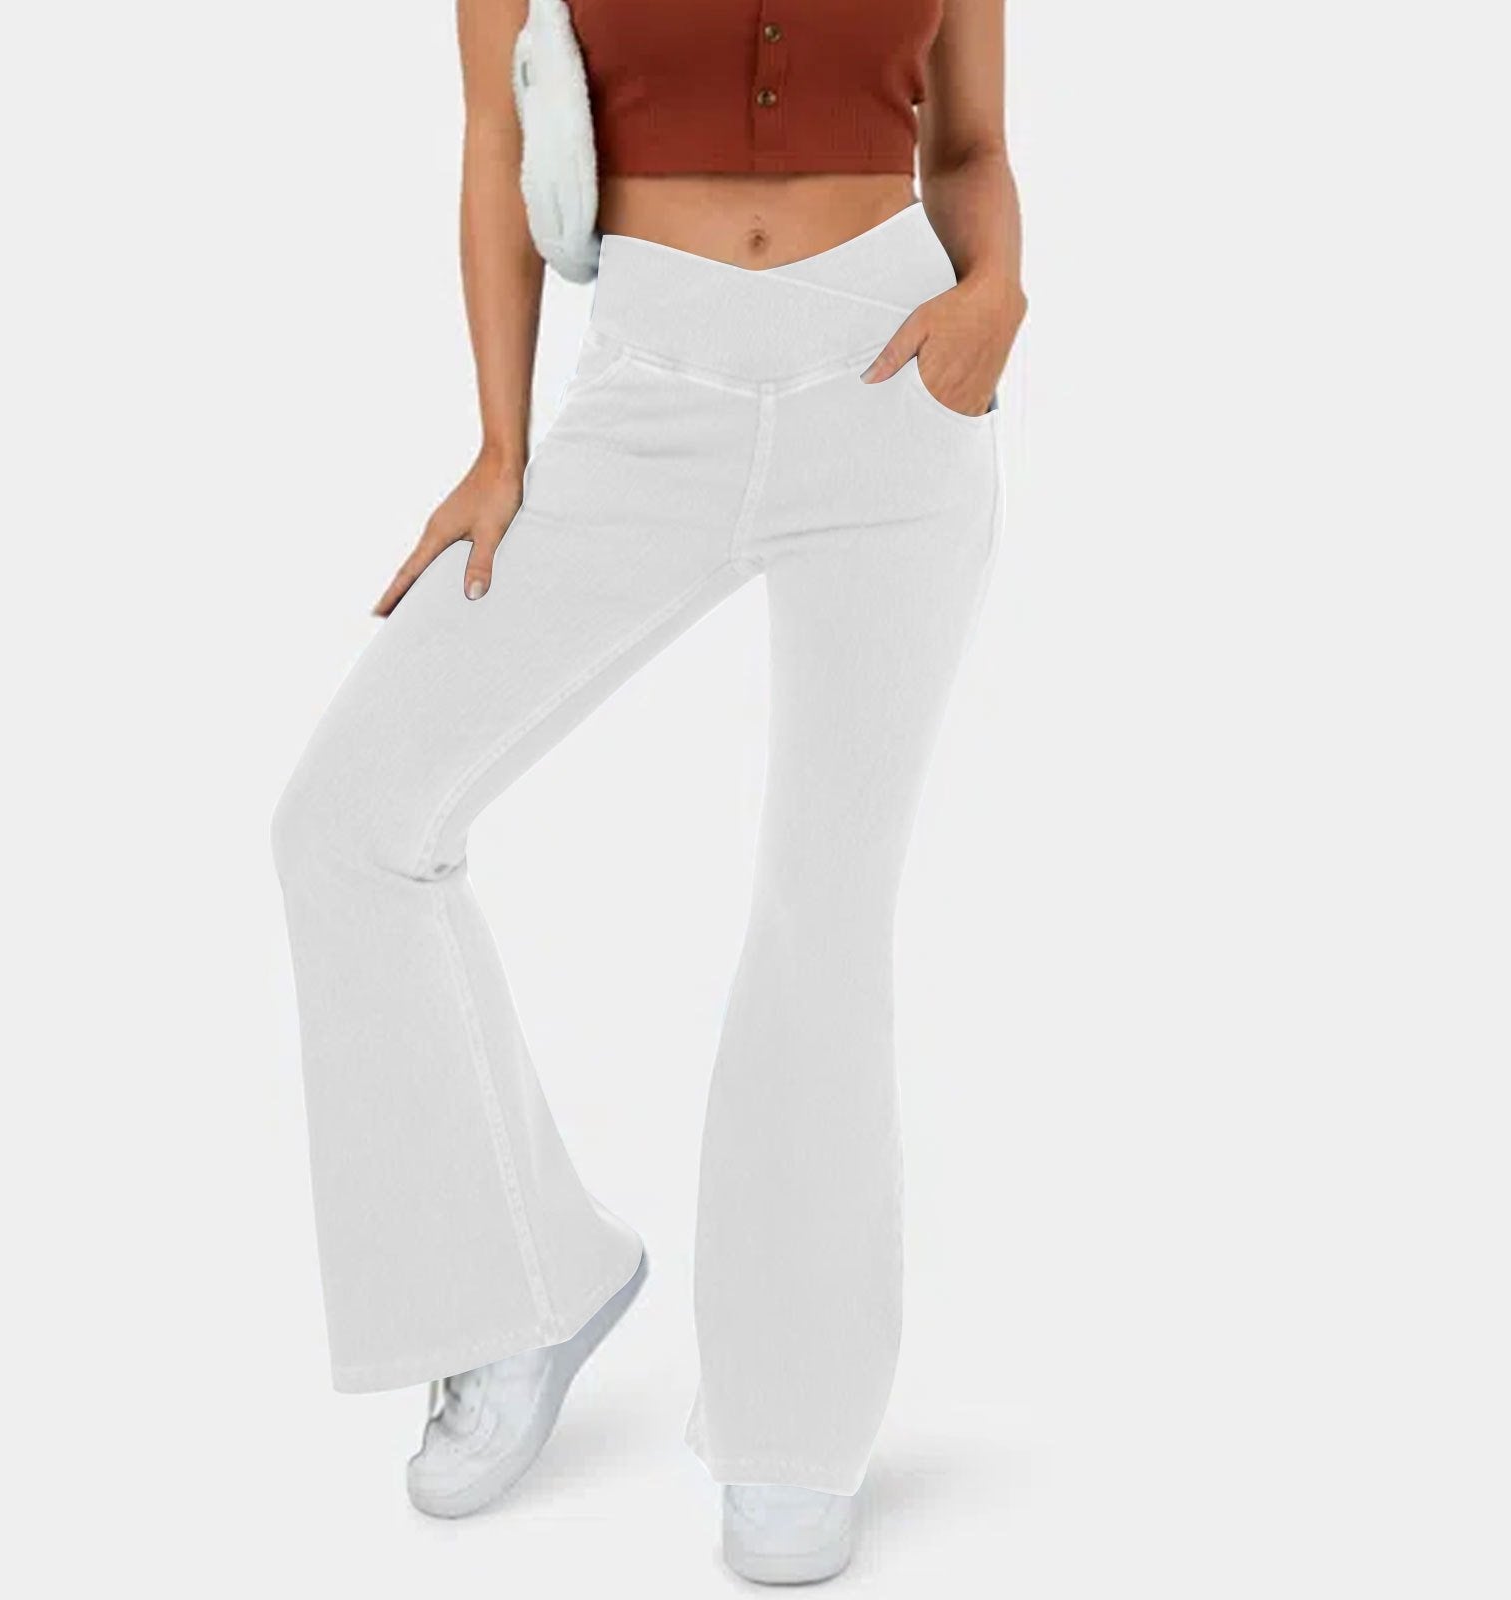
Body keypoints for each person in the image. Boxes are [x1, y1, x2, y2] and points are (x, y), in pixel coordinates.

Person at [271, 0, 1025, 1581]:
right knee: (351, 823)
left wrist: (997, 294)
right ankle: (515, 1295)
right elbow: (496, 135)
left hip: (892, 391)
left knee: (822, 916)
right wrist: (499, 444)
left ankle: (794, 1425)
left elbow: (966, 148)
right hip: (648, 390)